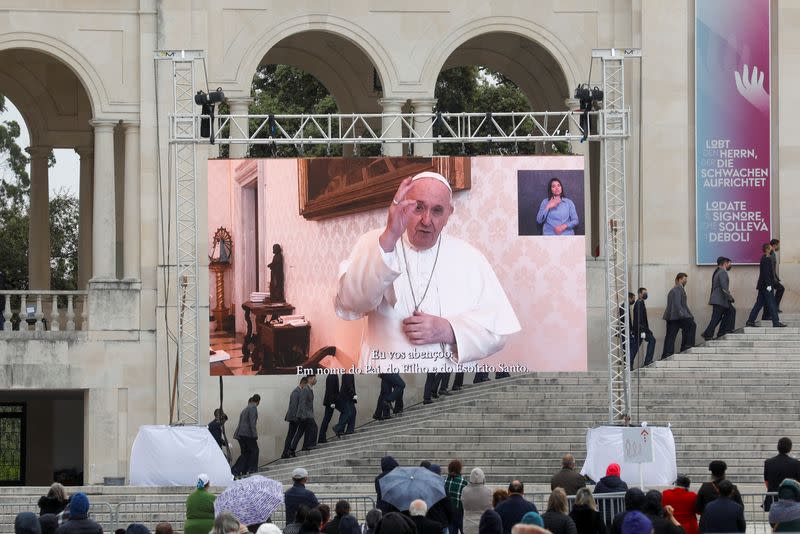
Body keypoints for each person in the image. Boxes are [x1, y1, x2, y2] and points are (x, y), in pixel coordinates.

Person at [335, 172, 521, 373]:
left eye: (437, 210)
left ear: (449, 214)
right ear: (403, 205)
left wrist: (449, 330)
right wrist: (390, 236)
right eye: (418, 207)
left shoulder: (471, 257)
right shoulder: (374, 242)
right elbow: (350, 303)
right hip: (384, 376)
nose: (426, 220)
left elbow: (498, 332)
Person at [746, 242, 787, 328]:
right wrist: (769, 285)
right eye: (770, 248)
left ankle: (750, 321)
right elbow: (766, 274)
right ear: (768, 249)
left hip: (762, 286)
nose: (772, 248)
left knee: (758, 304)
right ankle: (776, 322)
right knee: (772, 304)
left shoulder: (763, 258)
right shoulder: (766, 259)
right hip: (766, 286)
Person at [661, 273, 696, 358]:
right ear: (680, 279)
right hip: (676, 316)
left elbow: (683, 305)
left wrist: (689, 315)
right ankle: (687, 346)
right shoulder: (677, 289)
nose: (686, 281)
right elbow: (677, 304)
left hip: (674, 316)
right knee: (691, 325)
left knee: (670, 335)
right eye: (685, 279)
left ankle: (667, 353)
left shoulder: (678, 289)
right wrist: (683, 315)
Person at [700, 257, 735, 341]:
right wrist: (730, 297)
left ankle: (714, 332)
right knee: (727, 313)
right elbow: (724, 287)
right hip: (720, 299)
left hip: (720, 299)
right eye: (729, 263)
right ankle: (723, 331)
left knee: (723, 315)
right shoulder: (722, 272)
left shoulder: (718, 272)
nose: (730, 265)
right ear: (725, 263)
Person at [763, 437, 800, 512]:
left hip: (773, 500)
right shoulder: (796, 463)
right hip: (791, 500)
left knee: (775, 522)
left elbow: (767, 482)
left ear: (778, 447)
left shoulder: (768, 462)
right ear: (790, 448)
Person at [232, 394, 260, 476]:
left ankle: (238, 470)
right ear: (258, 401)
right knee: (255, 450)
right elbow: (252, 423)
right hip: (248, 434)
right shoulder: (253, 408)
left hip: (241, 434)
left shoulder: (245, 409)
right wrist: (255, 434)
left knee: (245, 453)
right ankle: (252, 469)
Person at [631, 288, 656, 369]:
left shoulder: (641, 303)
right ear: (640, 294)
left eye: (646, 293)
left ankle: (629, 365)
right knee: (652, 340)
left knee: (635, 347)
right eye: (644, 293)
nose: (646, 294)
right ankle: (648, 361)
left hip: (642, 329)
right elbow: (639, 318)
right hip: (640, 329)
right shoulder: (639, 303)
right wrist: (642, 331)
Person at [283, 378, 307, 458]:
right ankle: (285, 453)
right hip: (294, 418)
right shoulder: (296, 392)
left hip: (295, 418)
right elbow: (293, 406)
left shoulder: (298, 392)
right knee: (290, 436)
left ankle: (288, 452)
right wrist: (295, 418)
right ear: (303, 384)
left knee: (291, 435)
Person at [293, 374, 318, 451]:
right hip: (306, 415)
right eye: (314, 378)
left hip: (308, 414)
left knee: (301, 432)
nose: (316, 380)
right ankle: (310, 444)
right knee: (314, 428)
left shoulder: (309, 389)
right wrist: (303, 415)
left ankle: (294, 448)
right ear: (310, 379)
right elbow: (302, 403)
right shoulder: (306, 389)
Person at [763, 238, 785, 320]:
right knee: (781, 289)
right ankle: (773, 309)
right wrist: (774, 278)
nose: (778, 246)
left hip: (772, 279)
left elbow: (773, 268)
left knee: (766, 297)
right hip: (770, 279)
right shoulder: (771, 254)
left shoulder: (773, 254)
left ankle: (767, 314)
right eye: (778, 245)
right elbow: (771, 268)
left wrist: (776, 278)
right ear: (774, 245)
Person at [445, 460, 468, 534]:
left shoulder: (444, 480)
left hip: (448, 512)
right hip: (460, 511)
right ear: (459, 469)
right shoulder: (464, 482)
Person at [318, 374, 339, 444]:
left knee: (326, 419)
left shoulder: (332, 375)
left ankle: (322, 437)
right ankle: (321, 437)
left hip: (331, 401)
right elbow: (330, 390)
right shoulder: (332, 376)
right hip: (330, 402)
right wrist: (332, 402)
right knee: (326, 419)